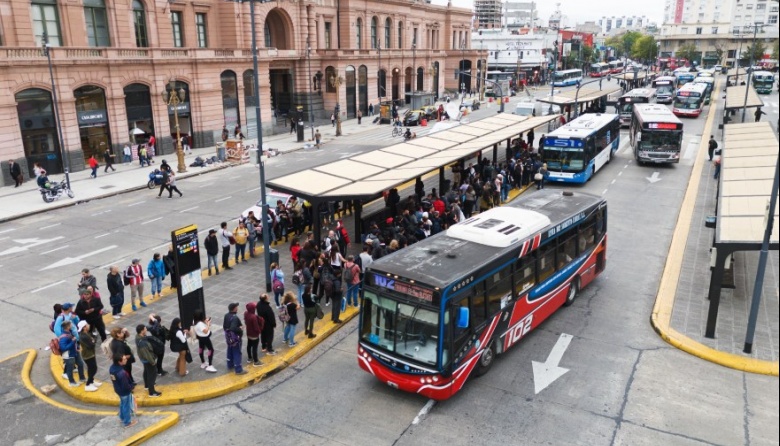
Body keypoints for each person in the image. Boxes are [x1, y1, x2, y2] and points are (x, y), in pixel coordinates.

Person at [109, 354, 137, 428]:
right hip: (124, 391)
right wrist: (131, 387)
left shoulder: (112, 368)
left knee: (122, 404)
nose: (126, 360)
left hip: (118, 389)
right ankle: (127, 422)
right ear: (119, 362)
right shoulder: (121, 373)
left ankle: (122, 417)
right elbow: (126, 385)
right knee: (126, 406)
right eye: (124, 359)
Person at [135, 324, 162, 397]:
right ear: (142, 331)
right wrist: (153, 362)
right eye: (145, 329)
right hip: (148, 360)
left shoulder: (138, 337)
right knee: (152, 375)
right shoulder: (143, 343)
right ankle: (152, 392)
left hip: (143, 359)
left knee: (146, 371)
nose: (146, 330)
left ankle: (146, 385)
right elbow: (147, 354)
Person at [59, 320, 85, 387]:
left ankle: (82, 378)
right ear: (68, 326)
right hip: (69, 355)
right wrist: (72, 342)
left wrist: (77, 347)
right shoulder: (63, 337)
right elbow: (63, 348)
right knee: (70, 369)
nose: (72, 325)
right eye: (71, 324)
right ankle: (72, 382)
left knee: (80, 364)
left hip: (74, 352)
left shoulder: (69, 332)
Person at [223, 302, 247, 375]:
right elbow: (233, 328)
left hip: (228, 337)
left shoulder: (226, 315)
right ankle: (238, 369)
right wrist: (240, 329)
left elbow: (224, 326)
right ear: (234, 309)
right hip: (235, 338)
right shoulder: (235, 317)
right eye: (236, 307)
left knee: (230, 349)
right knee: (237, 352)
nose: (237, 308)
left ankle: (230, 364)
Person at [78, 320, 101, 392]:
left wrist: (93, 340)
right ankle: (88, 384)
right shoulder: (84, 336)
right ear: (84, 327)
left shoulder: (86, 333)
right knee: (93, 369)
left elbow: (92, 341)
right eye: (87, 324)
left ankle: (92, 381)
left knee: (91, 369)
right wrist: (95, 339)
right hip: (88, 355)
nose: (88, 325)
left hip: (90, 354)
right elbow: (91, 345)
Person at [244, 302, 264, 366]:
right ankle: (256, 361)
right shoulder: (253, 317)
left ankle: (249, 358)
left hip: (248, 333)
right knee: (254, 348)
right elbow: (256, 327)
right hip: (254, 335)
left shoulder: (246, 313)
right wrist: (259, 331)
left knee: (249, 345)